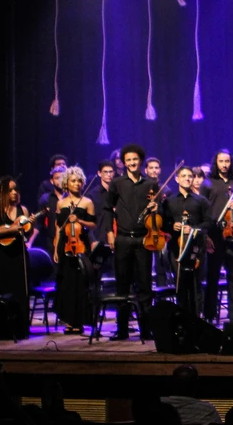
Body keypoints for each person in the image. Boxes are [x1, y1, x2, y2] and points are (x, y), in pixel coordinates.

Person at [102, 144, 157, 341]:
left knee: (144, 286)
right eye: (128, 160)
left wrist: (154, 208)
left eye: (135, 160)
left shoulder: (151, 184)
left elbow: (157, 214)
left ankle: (146, 329)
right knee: (122, 285)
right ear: (123, 163)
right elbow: (107, 208)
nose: (132, 163)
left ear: (140, 161)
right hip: (123, 239)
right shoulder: (117, 183)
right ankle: (123, 329)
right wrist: (109, 232)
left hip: (143, 239)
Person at [0, 177, 32, 339]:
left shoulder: (22, 210)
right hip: (0, 258)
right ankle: (0, 330)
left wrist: (27, 226)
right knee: (1, 292)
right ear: (2, 192)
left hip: (18, 256)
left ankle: (21, 328)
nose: (14, 193)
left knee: (19, 292)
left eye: (16, 190)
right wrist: (10, 230)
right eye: (10, 190)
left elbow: (27, 231)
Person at [204, 149, 233, 324]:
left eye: (227, 161)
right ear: (216, 163)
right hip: (215, 233)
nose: (224, 164)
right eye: (221, 161)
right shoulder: (208, 184)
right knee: (212, 275)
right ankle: (209, 315)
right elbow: (204, 209)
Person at [162, 165, 212, 317]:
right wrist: (172, 226)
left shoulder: (201, 201)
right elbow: (164, 223)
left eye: (190, 176)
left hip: (196, 247)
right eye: (183, 176)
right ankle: (182, 318)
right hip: (176, 248)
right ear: (177, 179)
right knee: (180, 284)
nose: (187, 179)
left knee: (196, 284)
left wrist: (194, 229)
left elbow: (209, 223)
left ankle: (197, 317)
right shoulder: (169, 202)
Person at [53, 166, 96, 335]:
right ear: (66, 183)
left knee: (80, 284)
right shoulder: (61, 203)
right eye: (73, 181)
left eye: (79, 181)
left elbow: (93, 224)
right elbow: (58, 227)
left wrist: (80, 221)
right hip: (64, 246)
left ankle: (79, 321)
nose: (77, 184)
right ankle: (69, 321)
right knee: (66, 284)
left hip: (80, 245)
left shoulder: (87, 202)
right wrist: (56, 248)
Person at [34, 164, 67, 254]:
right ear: (52, 181)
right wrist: (30, 241)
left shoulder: (72, 197)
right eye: (57, 178)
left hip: (70, 240)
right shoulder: (45, 198)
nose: (60, 180)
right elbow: (39, 223)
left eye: (62, 177)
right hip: (51, 242)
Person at [85, 160, 115, 245]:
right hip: (98, 237)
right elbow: (88, 221)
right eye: (105, 172)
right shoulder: (91, 195)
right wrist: (92, 240)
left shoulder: (118, 193)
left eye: (110, 172)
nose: (108, 175)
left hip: (117, 236)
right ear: (99, 173)